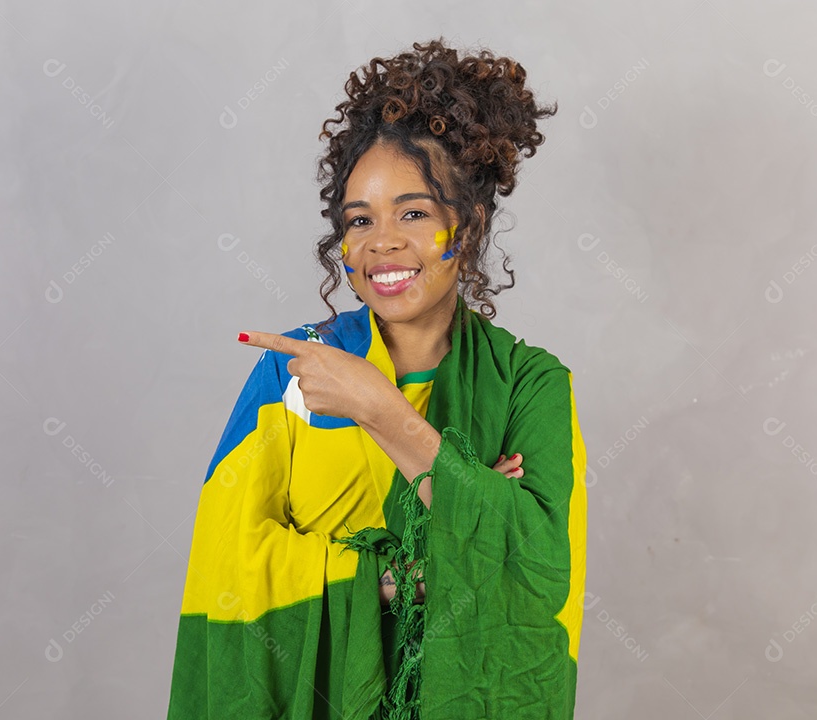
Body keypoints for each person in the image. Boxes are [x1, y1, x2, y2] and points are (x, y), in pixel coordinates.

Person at [166, 37, 587, 720]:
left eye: (414, 213)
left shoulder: (529, 385)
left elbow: (536, 572)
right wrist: (402, 574)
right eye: (359, 220)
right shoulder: (293, 371)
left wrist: (379, 409)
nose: (381, 243)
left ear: (469, 225)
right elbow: (227, 566)